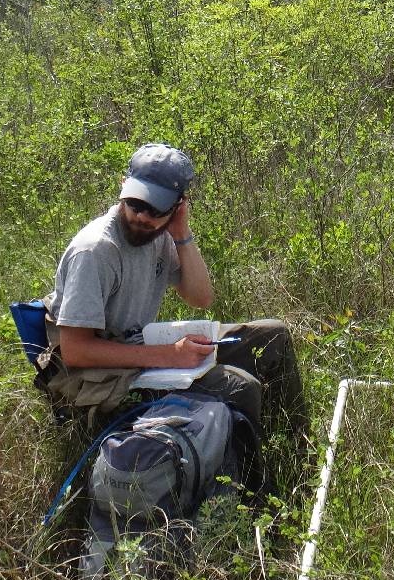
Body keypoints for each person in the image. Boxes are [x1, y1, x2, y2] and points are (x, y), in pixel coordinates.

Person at [36, 142, 307, 452]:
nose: (142, 216)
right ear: (123, 188)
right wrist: (169, 355)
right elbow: (76, 351)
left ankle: (297, 452)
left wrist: (181, 234)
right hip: (100, 376)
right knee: (238, 386)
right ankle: (249, 491)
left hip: (138, 349)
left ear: (178, 206)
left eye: (156, 209)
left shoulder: (161, 237)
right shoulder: (96, 251)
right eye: (136, 204)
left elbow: (200, 297)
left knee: (273, 336)